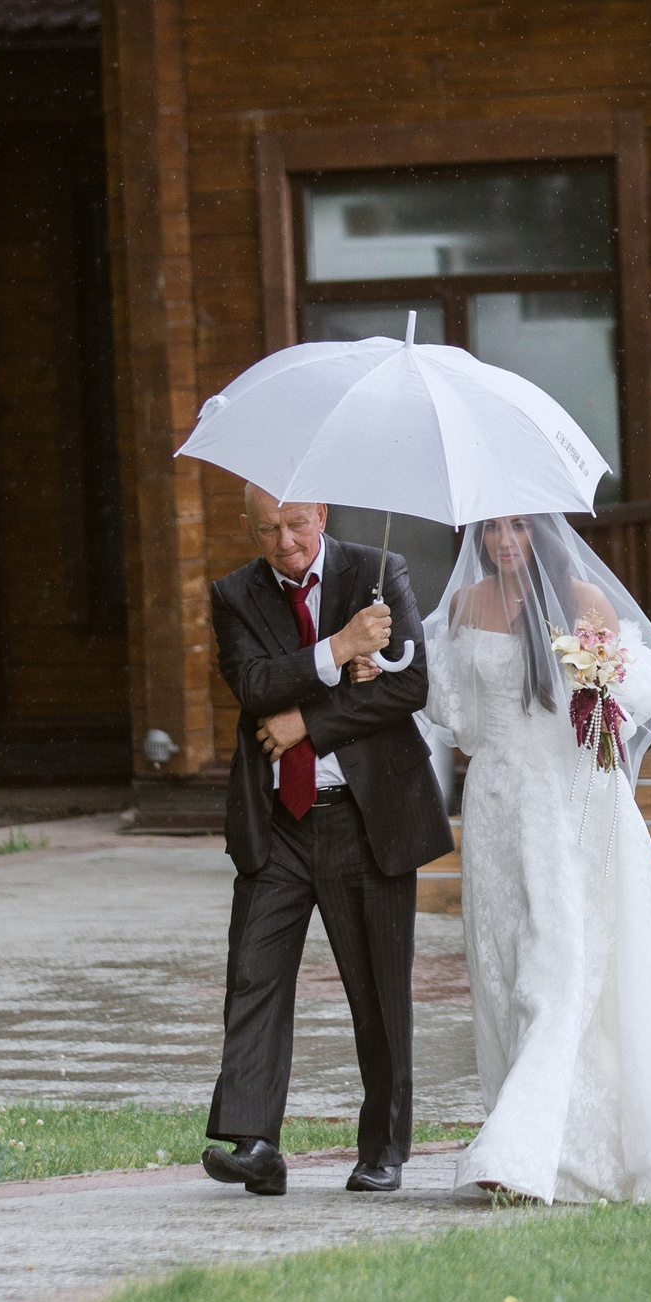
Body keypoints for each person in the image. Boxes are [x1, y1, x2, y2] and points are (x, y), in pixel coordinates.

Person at [420, 512, 651, 1203]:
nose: (503, 541)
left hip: (568, 799)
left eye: (518, 527)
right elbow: (457, 720)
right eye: (492, 529)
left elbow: (640, 695)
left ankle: (519, 1152)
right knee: (502, 968)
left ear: (542, 531)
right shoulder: (463, 607)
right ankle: (551, 1137)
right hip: (495, 808)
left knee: (554, 971)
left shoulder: (582, 601)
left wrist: (602, 680)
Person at [200, 484, 453, 1196]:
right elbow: (254, 684)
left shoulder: (378, 571)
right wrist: (340, 648)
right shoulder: (234, 595)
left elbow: (407, 687)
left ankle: (384, 1148)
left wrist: (305, 723)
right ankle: (255, 1142)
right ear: (248, 527)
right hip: (277, 821)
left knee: (377, 991)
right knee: (253, 973)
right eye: (267, 529)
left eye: (296, 524)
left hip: (366, 817)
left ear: (322, 515)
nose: (284, 542)